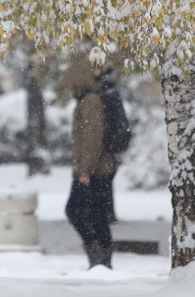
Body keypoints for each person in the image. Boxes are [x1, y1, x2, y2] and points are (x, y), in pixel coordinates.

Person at [61, 61, 116, 269]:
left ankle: (98, 258)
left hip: (94, 170)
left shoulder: (90, 101)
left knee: (74, 210)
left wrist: (85, 171)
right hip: (97, 169)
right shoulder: (88, 100)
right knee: (96, 215)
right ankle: (101, 262)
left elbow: (93, 138)